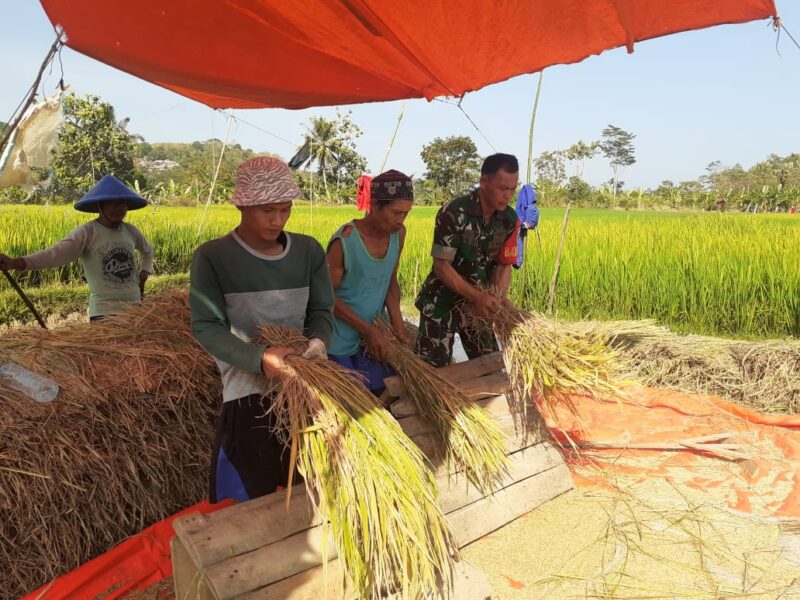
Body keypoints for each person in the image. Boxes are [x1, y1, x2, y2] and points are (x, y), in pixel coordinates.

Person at [189, 156, 334, 504]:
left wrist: (317, 341)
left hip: (304, 383)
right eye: (267, 210)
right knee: (259, 495)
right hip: (247, 390)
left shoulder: (308, 251)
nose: (278, 220)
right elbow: (206, 326)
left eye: (285, 209)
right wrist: (261, 358)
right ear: (242, 205)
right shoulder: (213, 257)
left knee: (310, 485)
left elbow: (322, 310)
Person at [414, 153, 521, 367]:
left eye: (512, 189)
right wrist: (477, 297)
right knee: (433, 369)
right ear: (484, 182)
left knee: (490, 365)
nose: (508, 195)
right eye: (502, 188)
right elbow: (442, 266)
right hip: (442, 303)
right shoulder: (453, 212)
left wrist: (496, 300)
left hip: (480, 307)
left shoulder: (509, 220)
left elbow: (504, 266)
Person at [0, 174, 153, 321]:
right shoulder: (88, 233)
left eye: (122, 204)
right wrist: (17, 263)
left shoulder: (130, 231)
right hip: (105, 312)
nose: (118, 209)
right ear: (100, 206)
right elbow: (56, 254)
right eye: (112, 204)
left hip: (135, 307)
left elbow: (147, 250)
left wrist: (144, 273)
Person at [326, 170, 413, 396]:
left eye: (405, 214)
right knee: (353, 398)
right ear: (374, 204)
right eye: (395, 213)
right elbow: (325, 295)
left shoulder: (398, 234)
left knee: (385, 389)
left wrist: (399, 329)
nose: (400, 220)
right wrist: (368, 330)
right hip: (339, 338)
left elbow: (390, 283)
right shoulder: (345, 241)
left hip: (375, 332)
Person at [514, 183, 539, 269]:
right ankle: (518, 261)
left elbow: (521, 212)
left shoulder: (530, 207)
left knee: (518, 240)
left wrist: (525, 223)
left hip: (524, 224)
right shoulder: (532, 206)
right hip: (524, 224)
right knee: (518, 241)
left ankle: (518, 262)